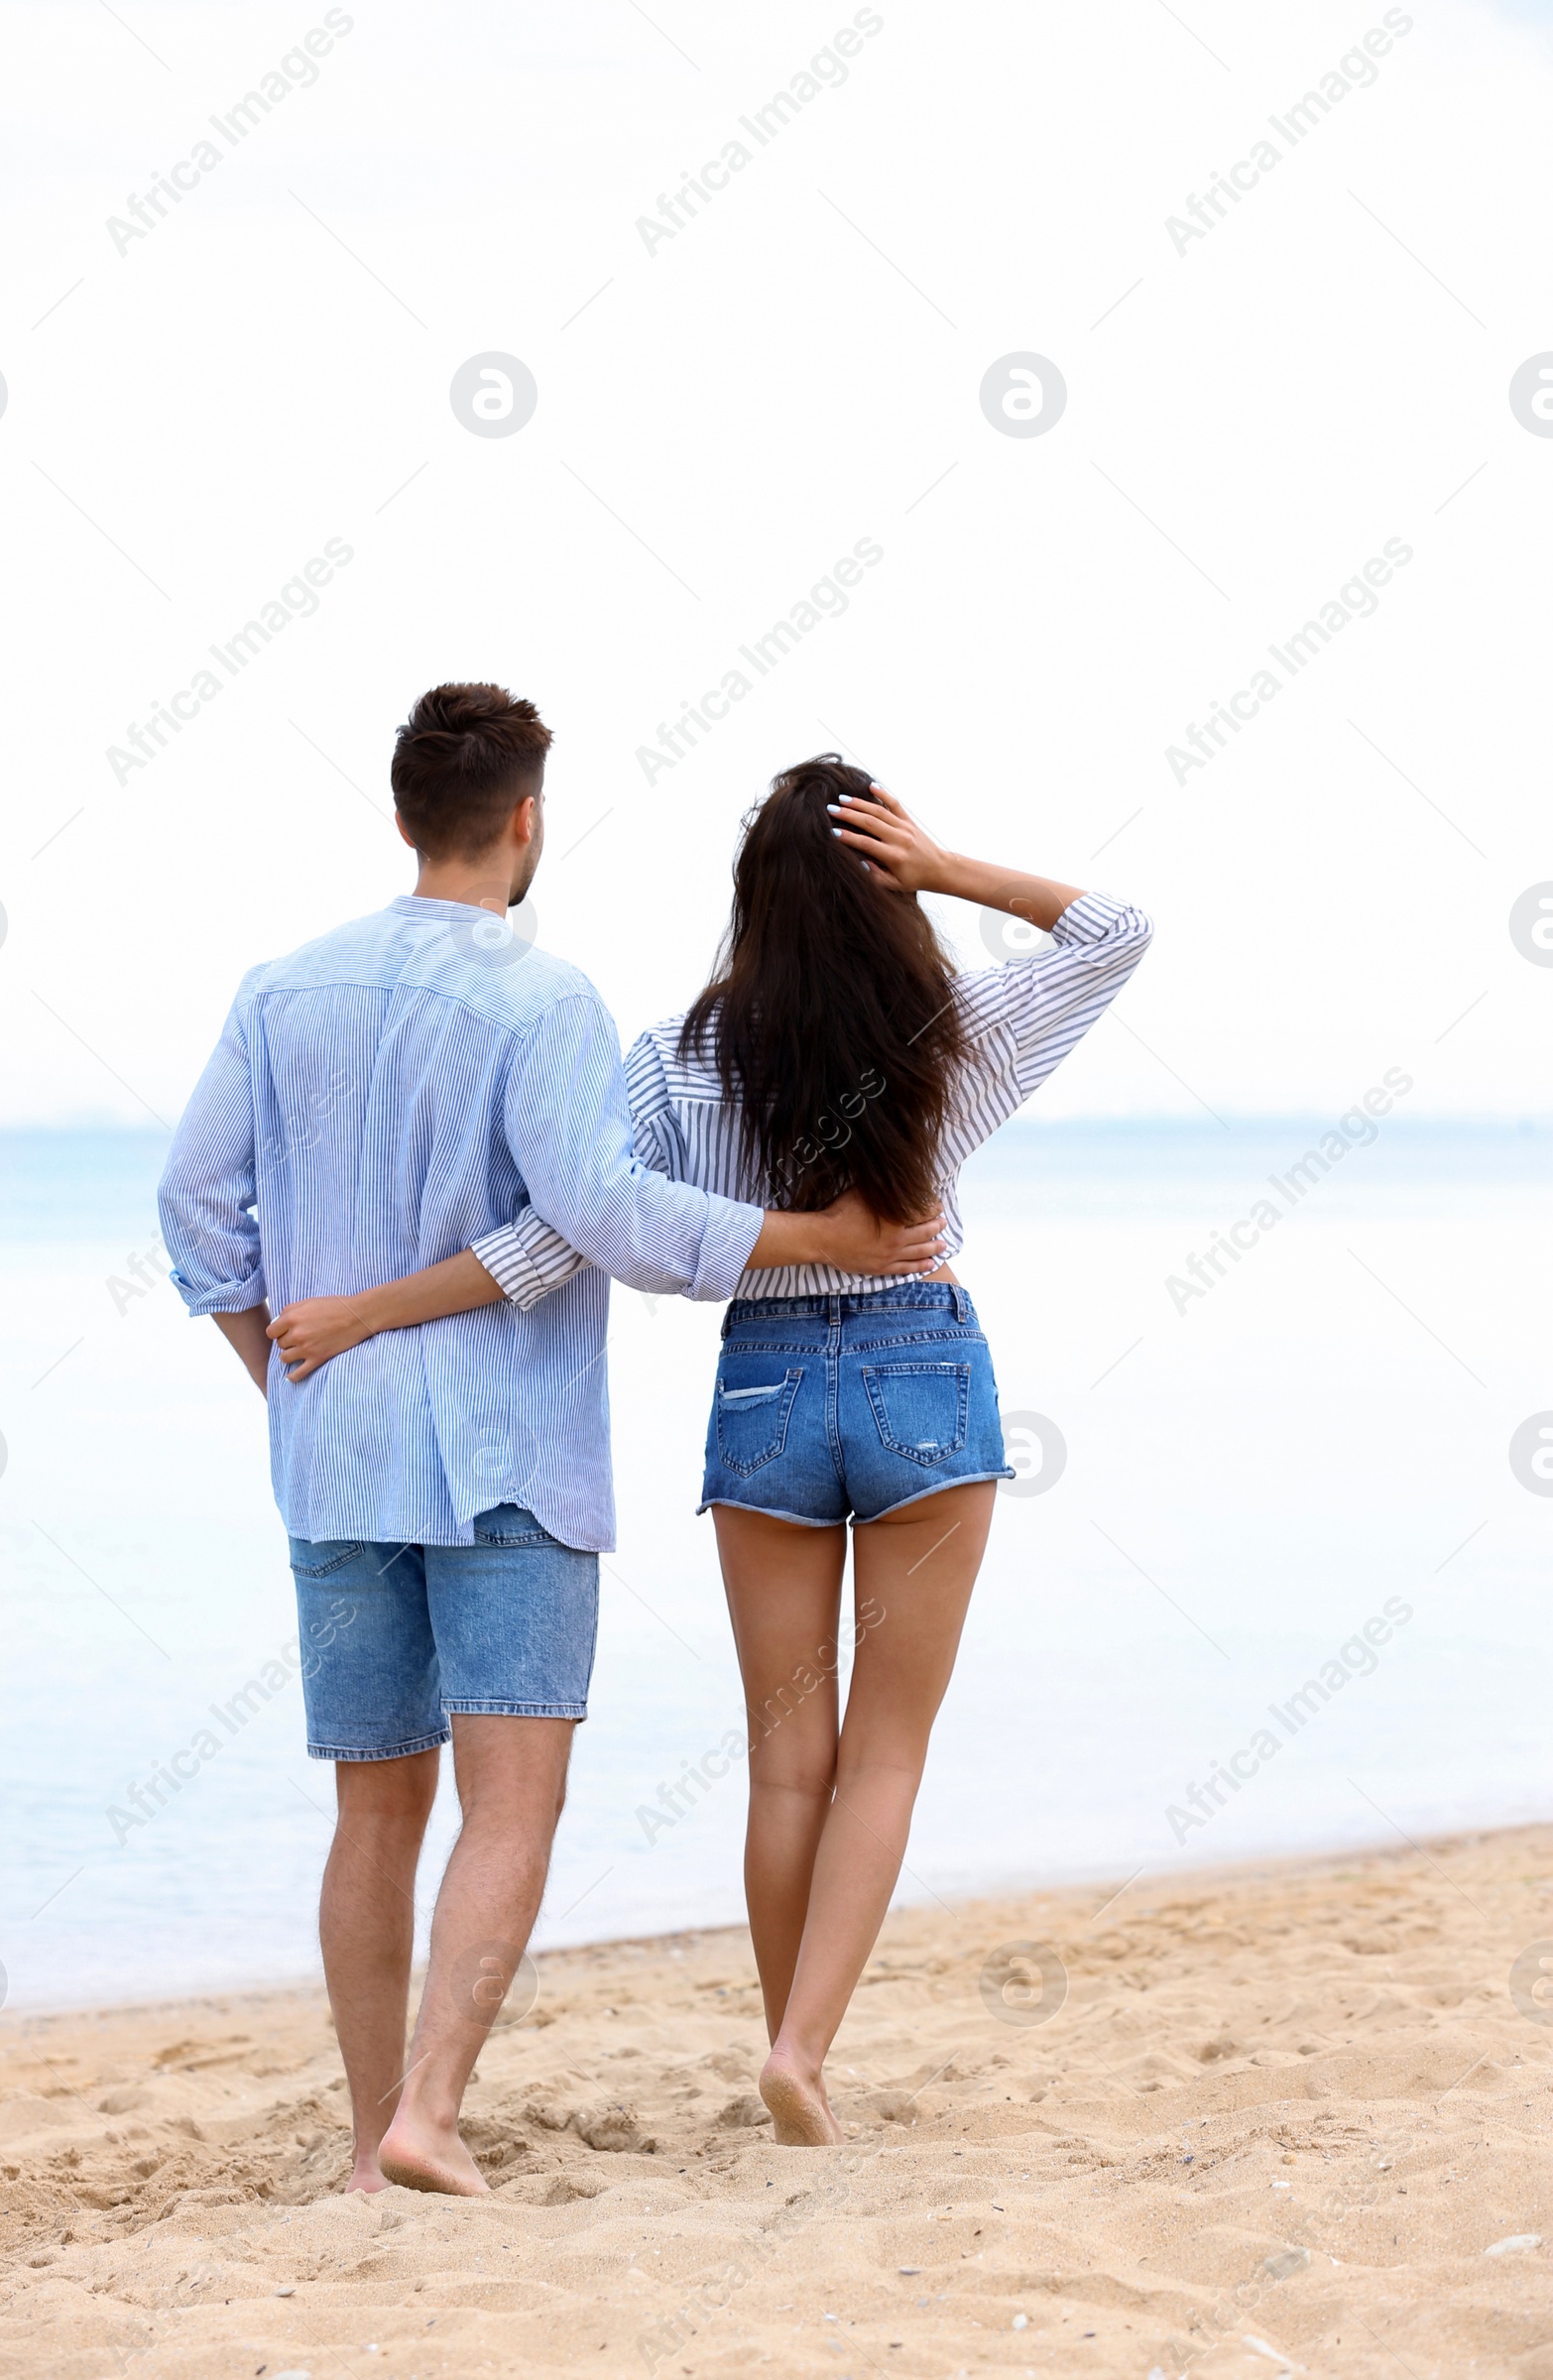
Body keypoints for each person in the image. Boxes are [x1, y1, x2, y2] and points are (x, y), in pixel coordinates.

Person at [275, 754, 1151, 2148]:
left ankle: (782, 2042)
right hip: (924, 1374)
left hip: (769, 1393)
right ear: (889, 891)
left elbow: (566, 1232)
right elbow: (1117, 932)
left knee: (786, 1760)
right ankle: (804, 2052)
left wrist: (375, 1310)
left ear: (752, 903)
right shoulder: (948, 1038)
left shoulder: (678, 1060)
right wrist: (947, 869)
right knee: (888, 1754)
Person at [157, 691, 946, 2199]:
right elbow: (605, 1219)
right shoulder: (545, 999)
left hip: (336, 1454)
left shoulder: (278, 990)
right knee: (510, 1800)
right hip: (505, 1452)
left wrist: (282, 1375)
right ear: (526, 819)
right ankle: (429, 2114)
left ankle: (366, 2123)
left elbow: (198, 1208)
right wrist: (811, 1233)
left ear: (404, 818)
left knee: (372, 1804)